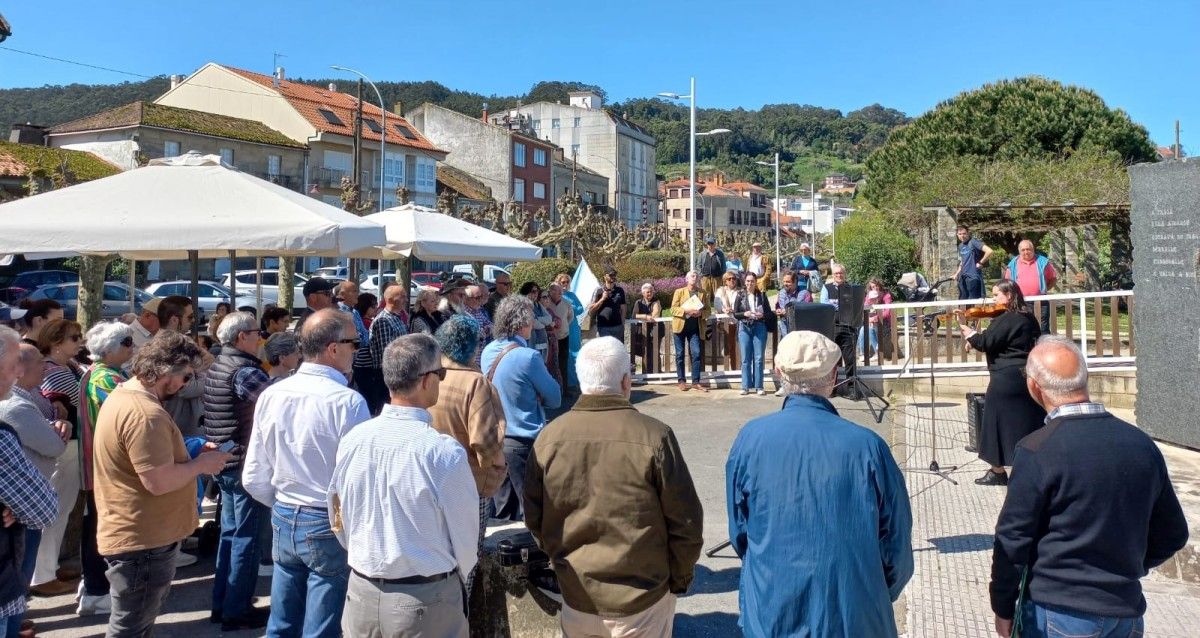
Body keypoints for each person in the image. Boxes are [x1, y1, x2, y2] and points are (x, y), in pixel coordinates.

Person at [990, 335, 1189, 638]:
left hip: (1059, 612)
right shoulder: (1141, 444)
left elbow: (1013, 539)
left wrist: (1003, 606)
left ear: (1034, 386)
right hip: (1126, 610)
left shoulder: (1037, 450)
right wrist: (1127, 569)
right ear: (1084, 378)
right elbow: (1173, 533)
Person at [726, 330, 913, 636]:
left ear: (778, 373)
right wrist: (874, 592)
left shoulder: (750, 439)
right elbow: (897, 544)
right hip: (855, 614)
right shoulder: (868, 446)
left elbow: (741, 533)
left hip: (773, 611)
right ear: (834, 375)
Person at [525, 337, 703, 637]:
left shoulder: (548, 439)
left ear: (581, 379)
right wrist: (677, 579)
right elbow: (685, 523)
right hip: (641, 598)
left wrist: (562, 565)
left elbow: (535, 518)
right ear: (625, 381)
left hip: (578, 594)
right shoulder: (655, 436)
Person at [329, 334, 479, 637]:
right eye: (441, 374)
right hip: (425, 596)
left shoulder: (354, 439)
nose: (441, 380)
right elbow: (466, 536)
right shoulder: (441, 452)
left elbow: (336, 514)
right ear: (426, 381)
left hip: (362, 590)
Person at [93, 331, 232, 638]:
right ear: (167, 369)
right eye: (186, 376)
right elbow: (156, 481)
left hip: (140, 536)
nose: (186, 384)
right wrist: (200, 465)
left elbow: (145, 462)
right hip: (143, 540)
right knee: (131, 627)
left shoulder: (128, 398)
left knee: (134, 623)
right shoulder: (146, 413)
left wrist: (190, 452)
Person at [243, 309, 370, 638]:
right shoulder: (347, 402)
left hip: (285, 512)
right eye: (354, 343)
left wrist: (284, 502)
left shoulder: (273, 393)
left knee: (282, 623)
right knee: (322, 627)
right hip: (325, 518)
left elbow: (255, 475)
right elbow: (359, 480)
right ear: (333, 348)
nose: (357, 350)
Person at [203, 311, 272, 631]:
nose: (261, 338)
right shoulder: (243, 370)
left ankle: (225, 604)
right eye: (257, 333)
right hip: (241, 463)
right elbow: (274, 407)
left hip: (226, 461)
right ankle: (236, 609)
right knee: (245, 539)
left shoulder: (220, 363)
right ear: (242, 337)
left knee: (231, 537)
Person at [428, 315, 506, 595]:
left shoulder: (429, 376)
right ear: (472, 346)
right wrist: (497, 470)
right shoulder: (475, 383)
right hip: (470, 485)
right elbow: (486, 442)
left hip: (429, 481)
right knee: (466, 564)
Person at [0, 343, 68, 637]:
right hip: (21, 516)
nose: (46, 366)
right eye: (40, 361)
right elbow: (53, 446)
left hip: (18, 510)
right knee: (14, 593)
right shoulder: (16, 407)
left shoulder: (22, 400)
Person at [956, 279, 1045, 486]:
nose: (993, 299)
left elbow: (986, 342)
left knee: (994, 421)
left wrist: (970, 334)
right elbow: (999, 340)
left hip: (1006, 378)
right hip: (1026, 375)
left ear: (1009, 296)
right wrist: (976, 337)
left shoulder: (1009, 318)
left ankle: (997, 471)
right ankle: (1031, 464)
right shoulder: (1028, 317)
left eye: (997, 295)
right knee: (1026, 421)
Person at [480, 296, 560, 522]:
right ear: (522, 323)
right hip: (524, 440)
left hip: (497, 438)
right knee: (531, 512)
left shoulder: (488, 351)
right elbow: (555, 397)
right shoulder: (528, 356)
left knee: (503, 512)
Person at [77, 322, 135, 616]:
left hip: (103, 466)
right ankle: (96, 589)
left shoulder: (109, 374)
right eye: (127, 342)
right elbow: (131, 411)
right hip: (104, 468)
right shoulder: (104, 378)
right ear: (110, 348)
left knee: (98, 525)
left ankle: (93, 586)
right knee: (102, 528)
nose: (131, 346)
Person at [31, 318, 84, 597]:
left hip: (69, 447)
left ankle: (47, 569)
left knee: (62, 510)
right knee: (56, 510)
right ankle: (42, 576)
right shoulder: (56, 371)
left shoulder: (69, 366)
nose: (79, 341)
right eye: (74, 337)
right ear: (55, 342)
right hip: (65, 448)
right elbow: (82, 400)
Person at [361, 282, 409, 415]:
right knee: (385, 410)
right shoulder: (383, 320)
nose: (406, 299)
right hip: (386, 374)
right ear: (390, 300)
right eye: (402, 296)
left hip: (397, 372)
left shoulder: (397, 318)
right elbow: (386, 353)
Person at [819, 263, 860, 397]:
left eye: (841, 273)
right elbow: (825, 306)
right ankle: (831, 389)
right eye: (836, 273)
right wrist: (839, 306)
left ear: (844, 274)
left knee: (850, 359)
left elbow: (855, 306)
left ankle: (852, 389)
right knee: (831, 360)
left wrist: (837, 306)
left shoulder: (851, 288)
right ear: (833, 275)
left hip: (848, 328)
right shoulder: (826, 288)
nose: (839, 275)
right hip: (832, 328)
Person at [671, 271, 711, 393]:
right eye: (692, 276)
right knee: (680, 355)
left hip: (695, 329)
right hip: (680, 328)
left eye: (696, 276)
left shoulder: (703, 293)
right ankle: (681, 381)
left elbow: (708, 310)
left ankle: (696, 382)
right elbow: (673, 309)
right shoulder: (679, 292)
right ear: (687, 279)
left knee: (697, 353)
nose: (695, 277)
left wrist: (701, 313)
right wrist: (687, 311)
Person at [1008, 239, 1058, 334]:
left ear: (1033, 249)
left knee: (1043, 329)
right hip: (1021, 302)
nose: (1026, 252)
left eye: (1028, 249)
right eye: (1023, 250)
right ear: (1019, 251)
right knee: (1025, 328)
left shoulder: (1043, 262)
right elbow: (1008, 283)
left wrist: (1043, 290)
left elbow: (1053, 279)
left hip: (1041, 301)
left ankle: (1043, 347)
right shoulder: (1013, 264)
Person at [734, 272, 769, 396]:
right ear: (744, 282)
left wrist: (762, 314)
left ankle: (759, 386)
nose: (750, 283)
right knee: (745, 359)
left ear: (756, 282)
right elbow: (735, 313)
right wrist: (745, 314)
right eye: (748, 281)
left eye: (752, 281)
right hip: (745, 327)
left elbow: (768, 312)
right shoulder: (740, 295)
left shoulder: (762, 295)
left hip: (759, 326)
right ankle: (745, 386)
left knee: (759, 358)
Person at [554, 273, 585, 395]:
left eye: (567, 282)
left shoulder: (572, 295)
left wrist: (570, 307)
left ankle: (575, 383)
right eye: (563, 282)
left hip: (573, 328)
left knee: (576, 355)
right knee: (564, 356)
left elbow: (580, 308)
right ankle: (565, 384)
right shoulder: (555, 296)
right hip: (561, 328)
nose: (565, 284)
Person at [547, 283, 575, 391]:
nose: (560, 293)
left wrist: (563, 326)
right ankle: (553, 388)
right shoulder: (547, 303)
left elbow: (570, 318)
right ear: (551, 292)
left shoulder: (566, 303)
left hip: (564, 337)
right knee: (552, 363)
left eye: (561, 291)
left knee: (563, 362)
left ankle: (565, 388)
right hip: (551, 338)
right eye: (558, 291)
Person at [630, 283, 663, 375]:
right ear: (643, 293)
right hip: (644, 331)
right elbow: (634, 315)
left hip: (656, 330)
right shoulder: (638, 302)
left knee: (655, 351)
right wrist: (645, 316)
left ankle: (657, 372)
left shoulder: (656, 301)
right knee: (645, 351)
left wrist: (645, 317)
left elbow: (655, 314)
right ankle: (647, 372)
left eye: (651, 291)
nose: (650, 294)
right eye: (648, 292)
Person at [954, 224, 993, 300]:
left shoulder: (974, 242)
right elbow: (962, 261)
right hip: (963, 277)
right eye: (960, 234)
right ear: (957, 235)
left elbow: (989, 251)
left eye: (964, 233)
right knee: (963, 302)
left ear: (968, 233)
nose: (962, 236)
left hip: (973, 277)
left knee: (973, 303)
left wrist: (981, 262)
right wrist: (956, 274)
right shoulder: (960, 246)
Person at [588, 267, 626, 343]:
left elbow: (623, 308)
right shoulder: (599, 290)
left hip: (617, 326)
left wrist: (622, 324)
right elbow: (591, 310)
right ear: (605, 276)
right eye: (611, 275)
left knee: (617, 351)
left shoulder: (620, 290)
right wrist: (602, 299)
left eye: (614, 275)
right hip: (603, 327)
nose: (613, 277)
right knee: (605, 351)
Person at [859, 277, 894, 361]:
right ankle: (862, 353)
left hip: (884, 322)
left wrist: (875, 318)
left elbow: (887, 312)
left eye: (876, 286)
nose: (874, 288)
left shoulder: (886, 296)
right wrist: (868, 319)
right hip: (872, 322)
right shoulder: (869, 296)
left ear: (879, 285)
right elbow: (865, 309)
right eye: (872, 287)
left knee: (869, 328)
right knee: (862, 330)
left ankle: (877, 353)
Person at [463, 285, 494, 363]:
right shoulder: (463, 314)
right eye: (477, 298)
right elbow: (473, 335)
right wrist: (484, 331)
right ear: (467, 299)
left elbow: (491, 325)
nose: (480, 300)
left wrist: (485, 330)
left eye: (481, 297)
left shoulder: (479, 311)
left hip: (481, 358)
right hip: (470, 360)